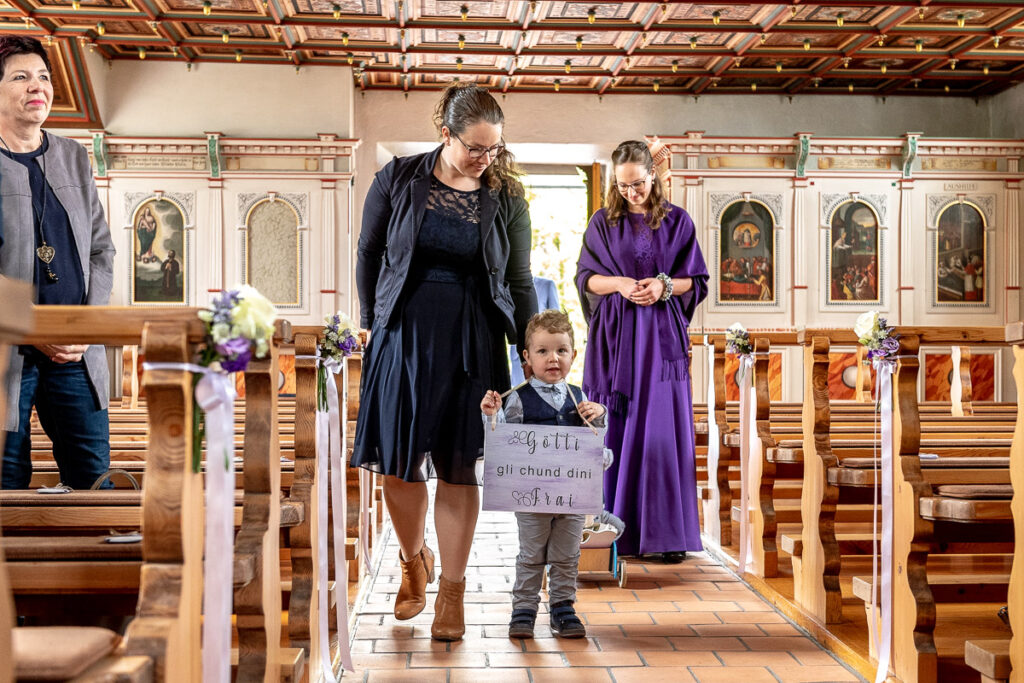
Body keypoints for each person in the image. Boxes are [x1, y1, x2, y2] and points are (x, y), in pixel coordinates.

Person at [352, 81, 537, 641]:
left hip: (474, 337)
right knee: (398, 465)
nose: (486, 159)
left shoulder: (506, 196)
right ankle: (413, 563)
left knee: (461, 467)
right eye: (475, 148)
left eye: (494, 149)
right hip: (403, 334)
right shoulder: (399, 177)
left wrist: (529, 349)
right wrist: (370, 320)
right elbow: (369, 250)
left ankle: (451, 594)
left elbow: (521, 278)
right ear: (445, 134)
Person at [575, 140, 708, 564]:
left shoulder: (678, 221)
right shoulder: (602, 222)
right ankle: (611, 532)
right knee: (616, 424)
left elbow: (697, 280)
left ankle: (666, 535)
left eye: (638, 184)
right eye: (623, 185)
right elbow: (585, 280)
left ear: (654, 176)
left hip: (662, 342)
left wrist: (664, 285)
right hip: (615, 339)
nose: (631, 192)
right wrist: (617, 284)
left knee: (661, 430)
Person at [0, 35, 116, 490]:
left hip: (76, 351)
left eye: (44, 77)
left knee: (94, 479)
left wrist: (85, 326)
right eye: (21, 77)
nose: (38, 87)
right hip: (8, 350)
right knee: (5, 482)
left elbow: (102, 250)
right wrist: (33, 327)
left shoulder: (72, 156)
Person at [480, 310, 609, 640]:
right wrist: (491, 417)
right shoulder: (517, 400)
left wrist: (601, 426)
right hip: (531, 497)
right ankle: (523, 608)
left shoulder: (581, 399)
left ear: (573, 354)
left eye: (561, 351)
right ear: (527, 357)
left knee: (567, 554)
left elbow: (596, 450)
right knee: (532, 553)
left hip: (571, 498)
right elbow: (503, 444)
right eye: (543, 351)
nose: (553, 358)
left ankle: (563, 607)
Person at [508, 275, 559, 384]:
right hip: (518, 355)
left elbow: (556, 324)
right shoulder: (506, 284)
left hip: (543, 354)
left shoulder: (547, 285)